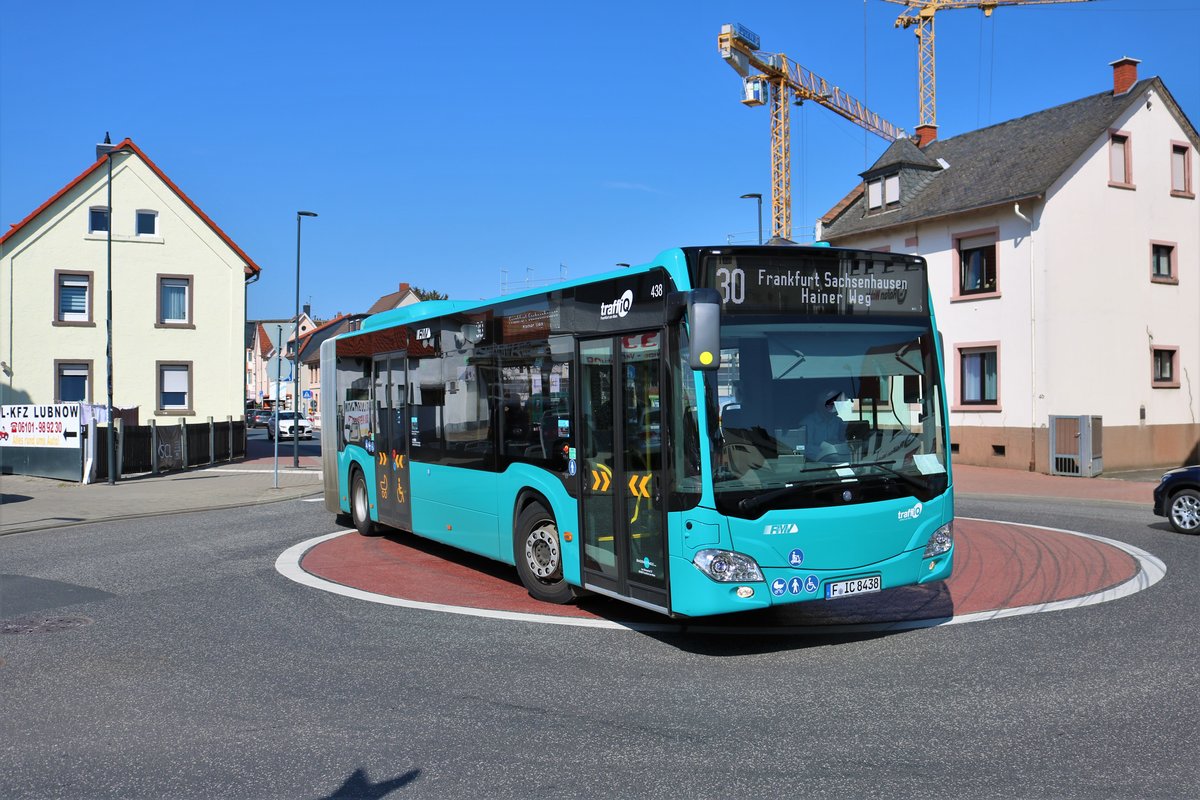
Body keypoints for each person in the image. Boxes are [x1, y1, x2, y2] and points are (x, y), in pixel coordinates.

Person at [802, 387, 849, 461]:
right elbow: (805, 447)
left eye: (837, 402)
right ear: (821, 404)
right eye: (831, 403)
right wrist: (827, 454)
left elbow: (844, 442)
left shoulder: (838, 421)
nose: (835, 405)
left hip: (839, 462)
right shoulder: (808, 422)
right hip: (814, 463)